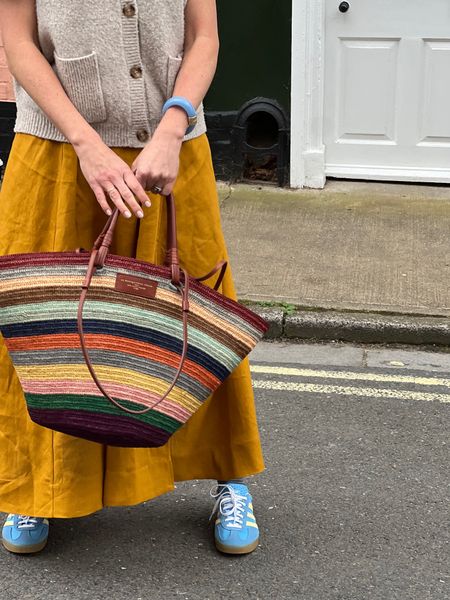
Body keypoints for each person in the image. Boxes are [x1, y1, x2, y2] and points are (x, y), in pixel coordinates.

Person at [0, 0, 264, 555]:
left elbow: (204, 38)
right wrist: (86, 143)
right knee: (41, 326)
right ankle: (34, 486)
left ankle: (228, 478)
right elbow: (17, 41)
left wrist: (173, 126)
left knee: (193, 320)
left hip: (170, 154)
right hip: (57, 153)